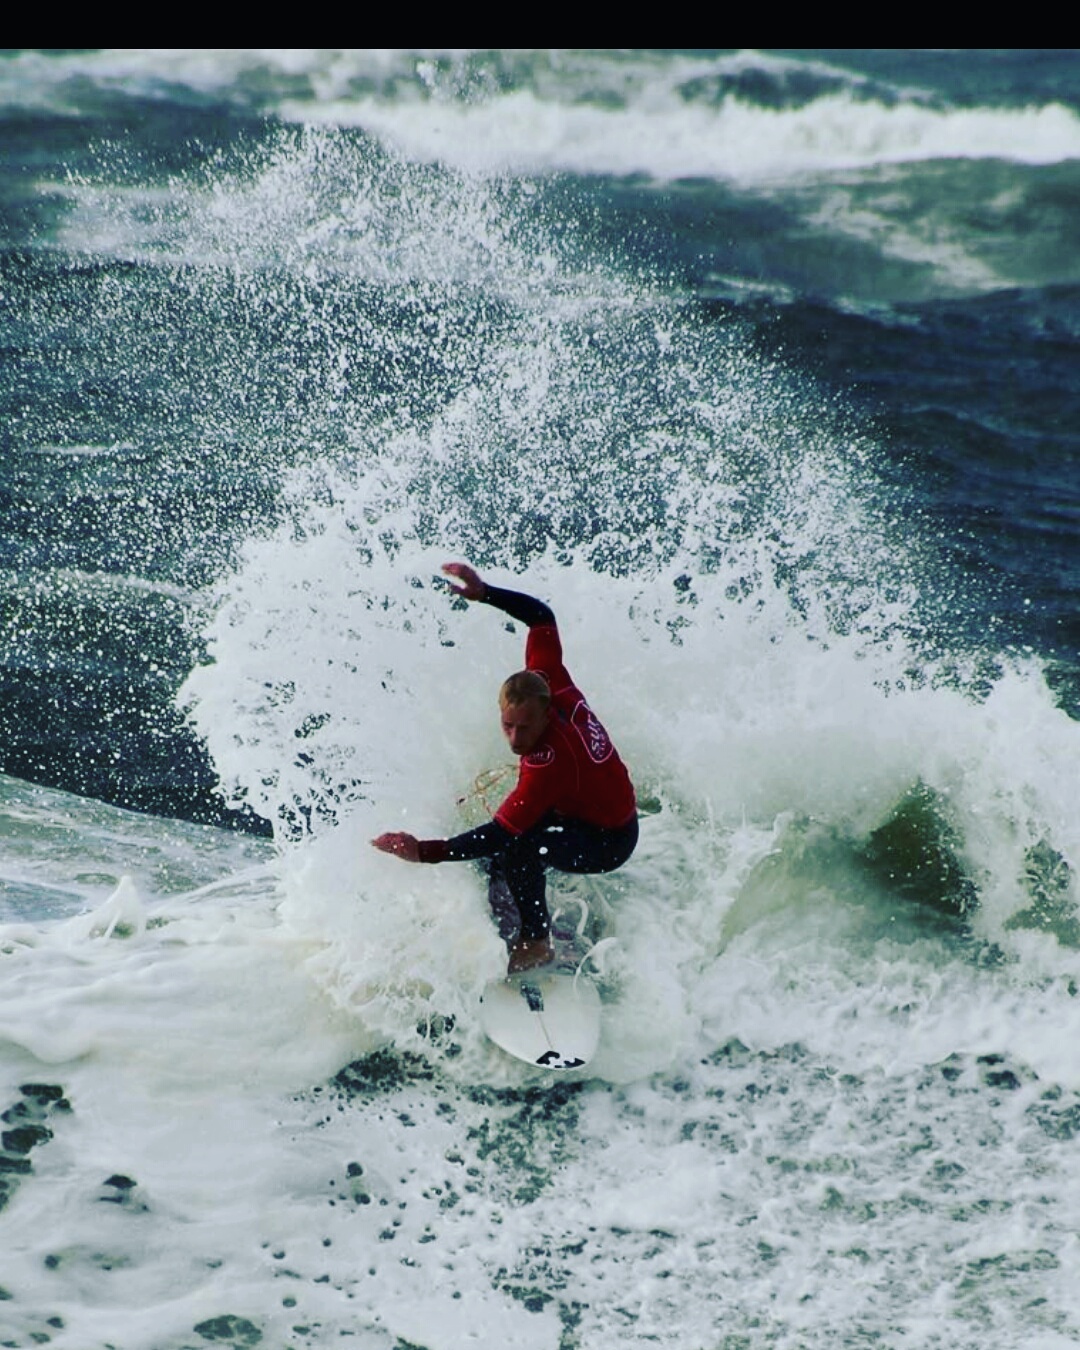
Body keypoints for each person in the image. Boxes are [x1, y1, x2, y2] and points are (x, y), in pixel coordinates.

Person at [372, 562, 638, 973]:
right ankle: (517, 905)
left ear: (548, 715)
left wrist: (423, 851)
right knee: (502, 848)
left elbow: (499, 834)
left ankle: (536, 940)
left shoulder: (550, 762)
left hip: (609, 840)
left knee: (517, 848)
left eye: (525, 728)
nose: (514, 740)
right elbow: (540, 616)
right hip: (588, 804)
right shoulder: (549, 677)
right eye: (507, 725)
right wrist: (485, 593)